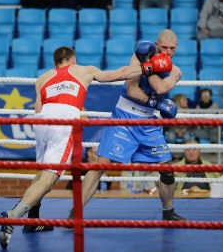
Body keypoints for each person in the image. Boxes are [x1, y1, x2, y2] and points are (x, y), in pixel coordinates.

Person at [0, 46, 173, 249]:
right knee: (49, 178)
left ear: (56, 64)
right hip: (62, 122)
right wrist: (148, 67)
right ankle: (12, 217)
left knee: (41, 170)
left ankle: (32, 221)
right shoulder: (83, 70)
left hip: (41, 122)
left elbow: (38, 109)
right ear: (73, 59)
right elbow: (121, 74)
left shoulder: (43, 78)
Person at [66, 29, 187, 222]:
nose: (168, 51)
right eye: (164, 47)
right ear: (157, 45)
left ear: (177, 48)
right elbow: (132, 91)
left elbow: (161, 88)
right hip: (124, 115)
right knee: (101, 165)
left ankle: (168, 212)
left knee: (167, 168)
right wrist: (153, 95)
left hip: (148, 121)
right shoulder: (138, 56)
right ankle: (76, 212)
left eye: (172, 48)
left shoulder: (175, 71)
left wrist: (149, 66)